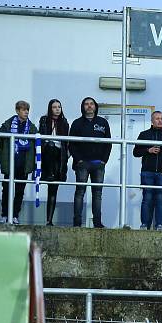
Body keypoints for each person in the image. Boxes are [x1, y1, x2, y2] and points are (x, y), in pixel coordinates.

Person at [69, 97, 112, 228]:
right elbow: (71, 144)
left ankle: (97, 223)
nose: (89, 106)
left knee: (97, 194)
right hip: (82, 164)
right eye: (86, 104)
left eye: (91, 104)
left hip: (98, 164)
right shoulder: (77, 123)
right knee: (80, 193)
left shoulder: (103, 122)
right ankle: (77, 223)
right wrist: (78, 160)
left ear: (95, 106)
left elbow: (108, 143)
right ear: (83, 107)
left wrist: (104, 160)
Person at [133, 111, 162, 230]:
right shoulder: (144, 134)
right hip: (147, 172)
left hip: (161, 173)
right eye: (157, 118)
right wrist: (148, 150)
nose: (160, 121)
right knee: (147, 198)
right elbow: (136, 152)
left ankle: (159, 225)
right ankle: (144, 224)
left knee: (159, 199)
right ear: (152, 121)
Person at [0, 100, 38, 224]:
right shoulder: (7, 125)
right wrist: (2, 159)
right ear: (17, 111)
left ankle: (14, 215)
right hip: (10, 164)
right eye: (24, 110)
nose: (26, 112)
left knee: (20, 191)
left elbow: (37, 143)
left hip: (23, 165)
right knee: (6, 190)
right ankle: (4, 215)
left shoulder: (31, 127)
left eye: (27, 110)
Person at [38, 99, 70, 226]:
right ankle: (49, 173)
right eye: (54, 107)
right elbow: (42, 137)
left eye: (59, 107)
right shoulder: (44, 120)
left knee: (53, 190)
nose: (57, 109)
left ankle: (49, 220)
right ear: (50, 109)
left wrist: (68, 155)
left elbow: (66, 143)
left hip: (59, 157)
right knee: (51, 145)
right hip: (47, 153)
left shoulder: (65, 122)